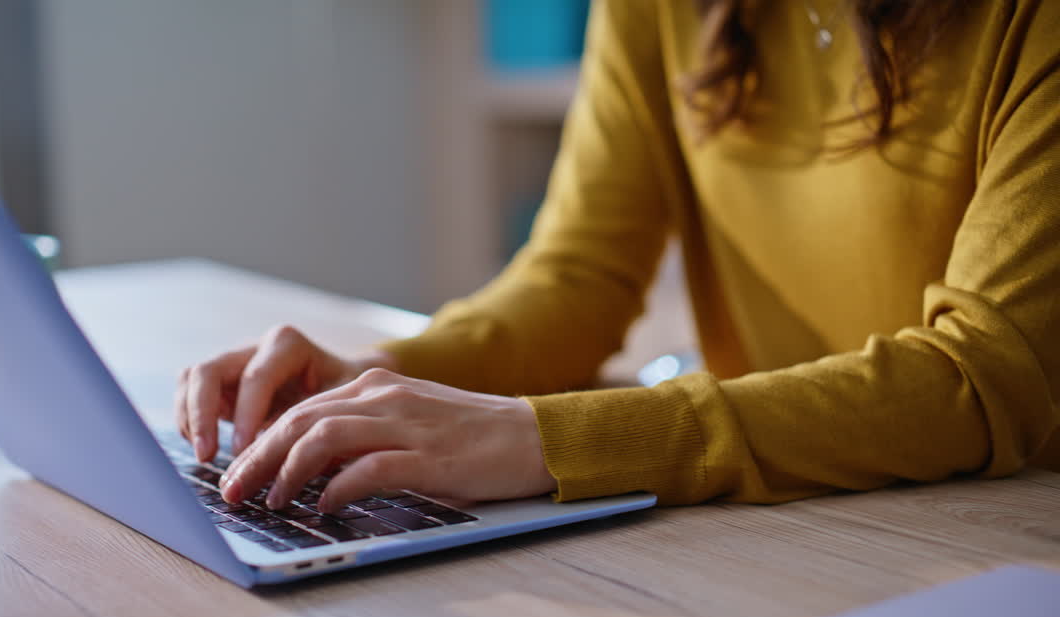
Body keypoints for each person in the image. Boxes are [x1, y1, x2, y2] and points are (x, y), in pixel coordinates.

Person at [176, 0, 1060, 516]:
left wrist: (547, 438)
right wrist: (378, 377)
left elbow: (980, 376)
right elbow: (579, 278)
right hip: (787, 515)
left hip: (999, 530)